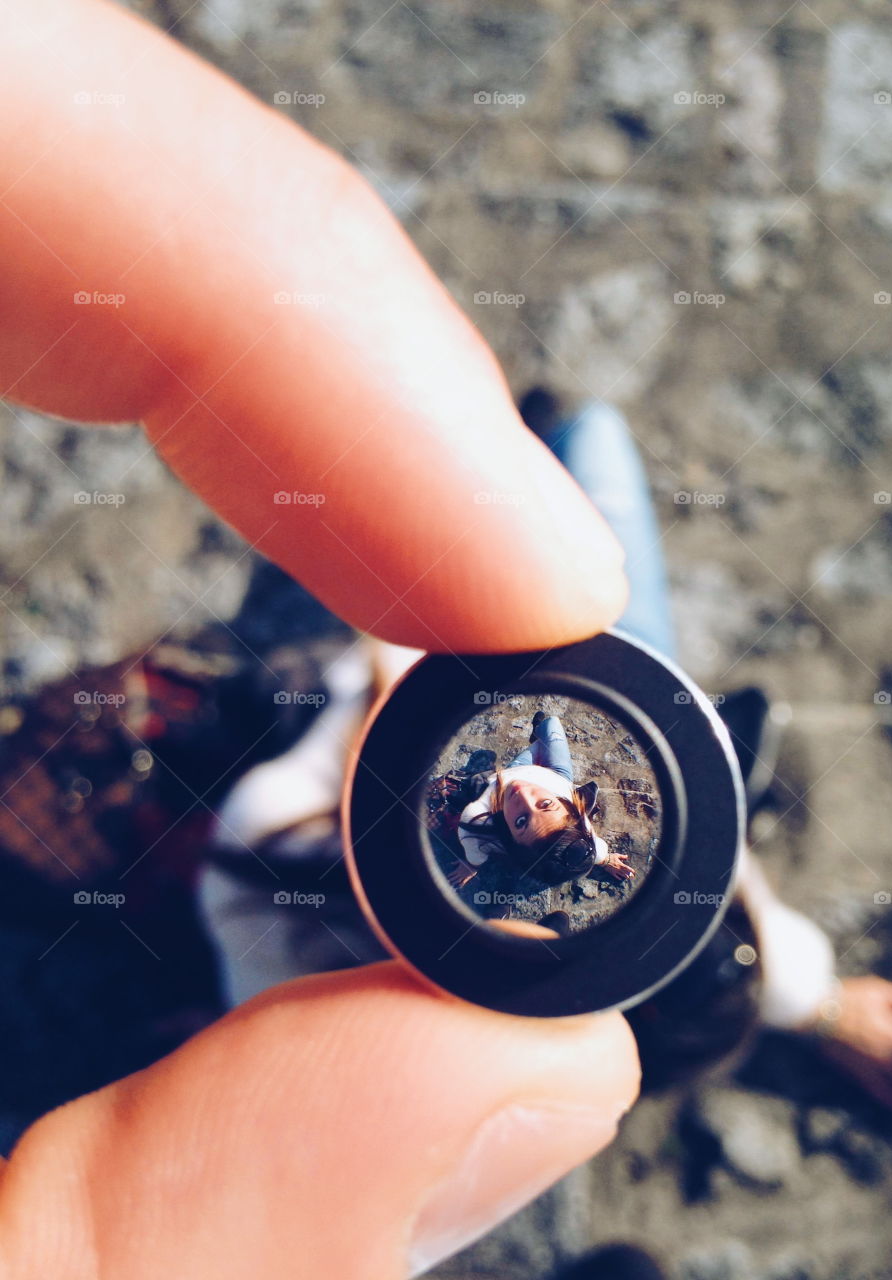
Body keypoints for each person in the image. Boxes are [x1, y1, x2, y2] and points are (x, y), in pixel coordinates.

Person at [0, 2, 639, 1276]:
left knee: (570, 490)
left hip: (297, 701)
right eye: (539, 803)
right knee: (582, 479)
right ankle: (551, 436)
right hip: (327, 696)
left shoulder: (263, 888)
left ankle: (547, 439)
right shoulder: (301, 878)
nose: (530, 803)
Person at [450, 710, 634, 889]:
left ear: (509, 836)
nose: (522, 793)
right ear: (570, 807)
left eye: (521, 822)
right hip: (558, 776)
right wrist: (606, 860)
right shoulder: (575, 825)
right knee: (551, 723)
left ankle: (538, 739)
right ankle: (539, 733)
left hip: (517, 769)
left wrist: (471, 865)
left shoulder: (480, 821)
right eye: (546, 804)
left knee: (540, 744)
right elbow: (593, 848)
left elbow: (475, 847)